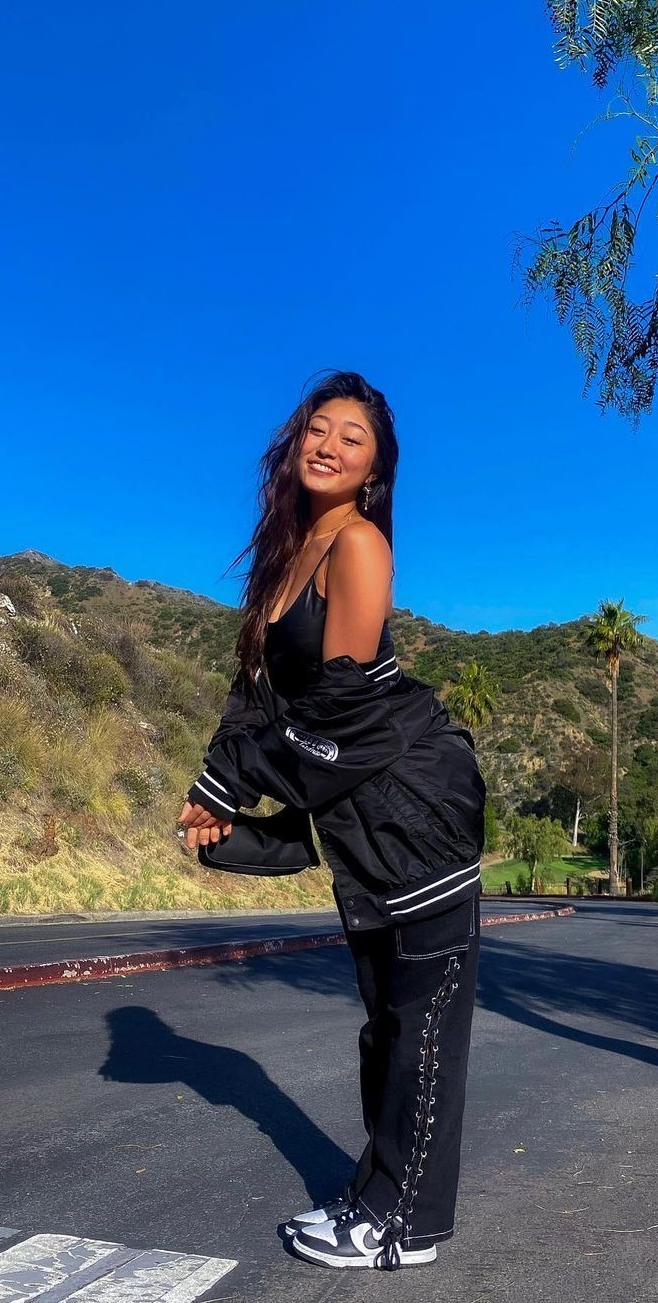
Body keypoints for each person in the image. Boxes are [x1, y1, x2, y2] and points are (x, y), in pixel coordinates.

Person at [177, 370, 486, 1270]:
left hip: (416, 812)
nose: (329, 445)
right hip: (361, 816)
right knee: (385, 1023)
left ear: (374, 469)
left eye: (353, 437)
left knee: (421, 1028)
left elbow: (342, 709)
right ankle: (374, 1194)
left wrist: (239, 787)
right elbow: (256, 698)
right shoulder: (286, 556)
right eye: (319, 428)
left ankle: (408, 1227)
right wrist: (215, 787)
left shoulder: (357, 544)